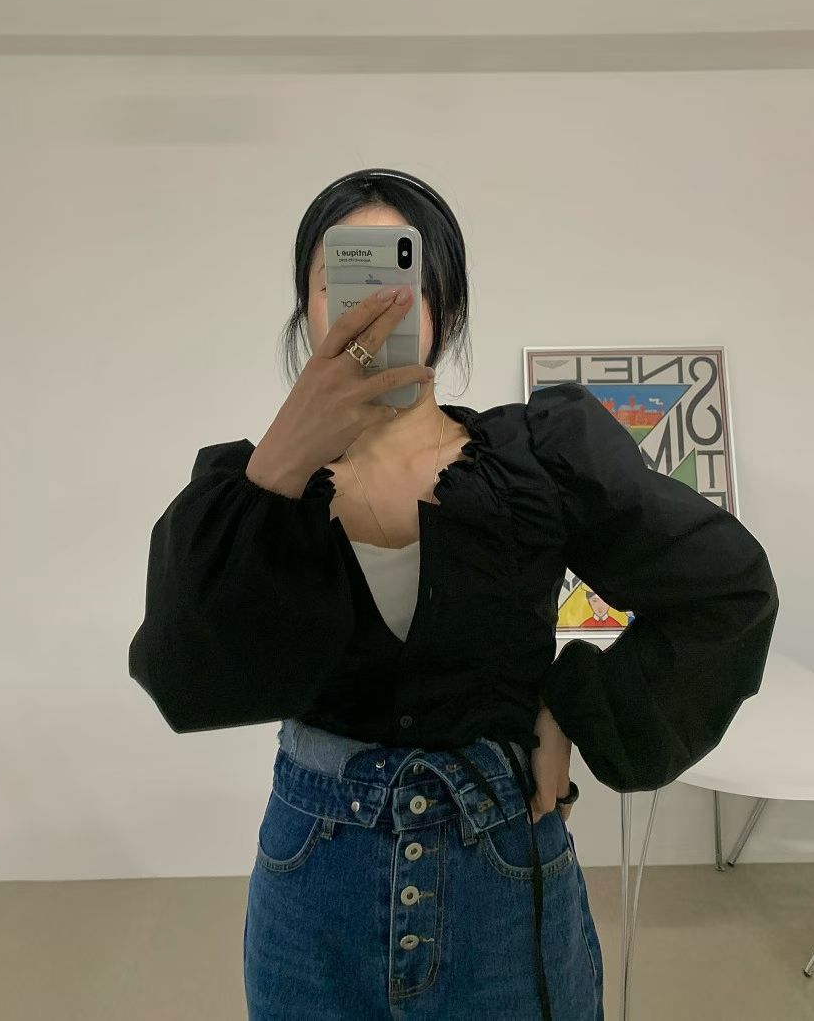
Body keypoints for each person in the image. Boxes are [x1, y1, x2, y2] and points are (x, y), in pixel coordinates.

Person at [129, 168, 779, 1021]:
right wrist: (282, 456)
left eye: (397, 277)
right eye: (338, 281)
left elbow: (726, 588)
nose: (369, 307)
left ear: (445, 305)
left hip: (501, 869)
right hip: (314, 883)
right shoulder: (254, 492)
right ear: (305, 311)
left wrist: (573, 706)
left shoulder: (538, 457)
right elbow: (183, 675)